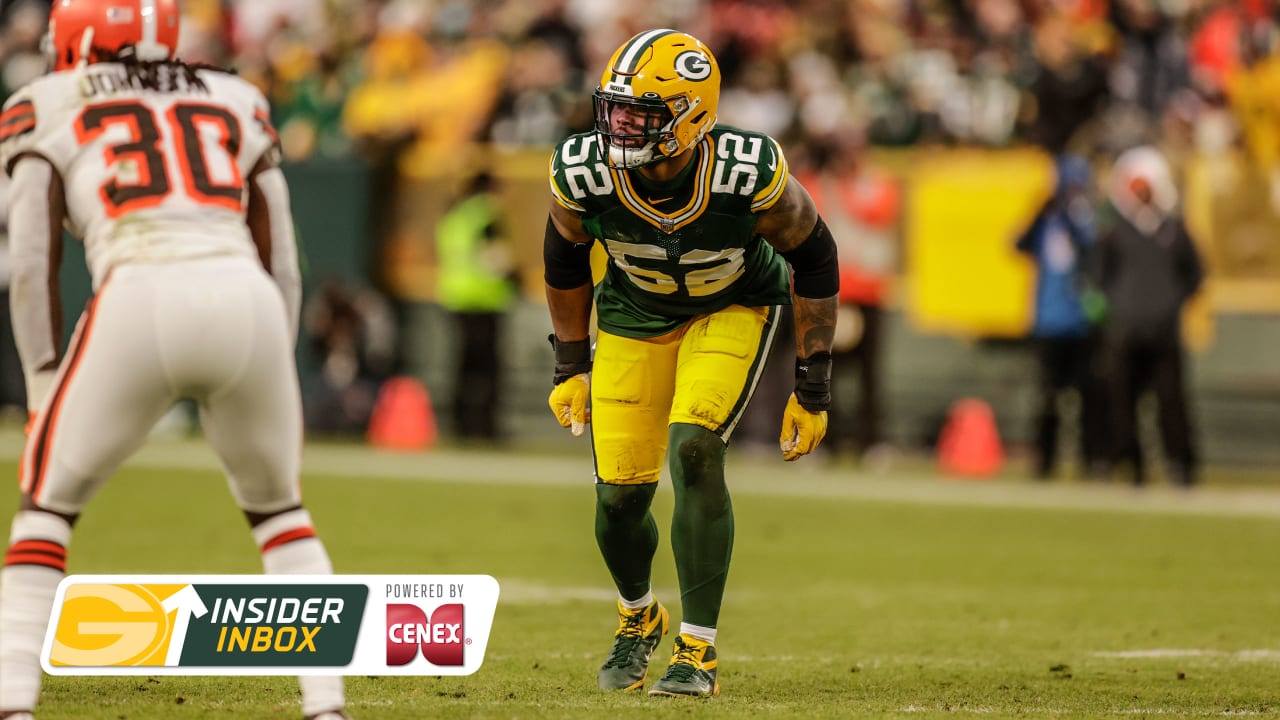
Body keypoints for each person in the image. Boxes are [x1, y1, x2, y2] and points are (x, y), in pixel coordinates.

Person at [0, 2, 349, 718]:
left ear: (84, 38)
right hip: (245, 296)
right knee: (282, 514)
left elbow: (32, 262)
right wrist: (270, 359)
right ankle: (326, 706)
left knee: (45, 512)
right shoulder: (235, 94)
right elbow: (281, 254)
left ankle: (12, 702)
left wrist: (41, 380)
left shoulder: (46, 102)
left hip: (140, 289)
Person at [543, 29, 837, 698]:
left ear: (691, 116)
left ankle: (697, 649)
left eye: (641, 115)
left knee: (696, 448)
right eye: (615, 110)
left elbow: (815, 257)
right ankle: (638, 614)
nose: (620, 127)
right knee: (619, 499)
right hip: (631, 317)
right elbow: (563, 258)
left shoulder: (745, 168)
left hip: (729, 308)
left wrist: (812, 384)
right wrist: (569, 366)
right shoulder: (585, 169)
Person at [1093, 145, 1204, 487]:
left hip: (1164, 330)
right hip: (1125, 330)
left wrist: (1171, 302)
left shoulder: (1173, 230)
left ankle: (1180, 465)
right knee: (1122, 399)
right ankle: (1129, 464)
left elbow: (1195, 274)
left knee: (1171, 399)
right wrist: (1117, 305)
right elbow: (1099, 275)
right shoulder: (1115, 232)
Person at [1014, 154, 1108, 480]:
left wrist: (1070, 214)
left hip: (1081, 321)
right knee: (1048, 398)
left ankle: (1092, 459)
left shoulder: (1086, 219)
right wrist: (1041, 212)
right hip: (1049, 322)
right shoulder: (1047, 221)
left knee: (1088, 396)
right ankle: (1045, 460)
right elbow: (1018, 245)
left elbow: (1091, 251)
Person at [435, 169, 518, 442]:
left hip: (455, 298)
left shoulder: (454, 216)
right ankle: (484, 427)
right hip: (484, 300)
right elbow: (494, 256)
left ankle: (459, 424)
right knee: (488, 369)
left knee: (462, 366)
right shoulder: (486, 214)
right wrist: (515, 279)